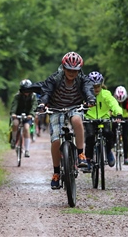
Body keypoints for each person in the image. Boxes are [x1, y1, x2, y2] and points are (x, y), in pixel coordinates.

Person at [21, 52, 96, 189]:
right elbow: (47, 92)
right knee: (55, 140)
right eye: (69, 70)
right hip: (56, 108)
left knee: (77, 121)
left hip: (75, 106)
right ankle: (56, 173)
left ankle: (81, 154)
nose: (72, 73)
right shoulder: (55, 78)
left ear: (79, 70)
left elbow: (88, 89)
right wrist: (43, 104)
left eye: (75, 70)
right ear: (63, 68)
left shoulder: (82, 79)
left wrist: (90, 99)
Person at [84, 71, 123, 171]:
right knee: (90, 137)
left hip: (104, 118)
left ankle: (108, 151)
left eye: (98, 86)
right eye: (93, 86)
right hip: (90, 118)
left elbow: (113, 103)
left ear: (101, 85)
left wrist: (118, 113)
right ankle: (88, 160)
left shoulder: (106, 94)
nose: (96, 89)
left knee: (108, 133)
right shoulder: (85, 95)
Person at [10, 79, 38, 158]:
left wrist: (31, 114)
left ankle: (27, 150)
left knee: (26, 128)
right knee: (15, 124)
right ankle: (14, 140)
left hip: (28, 116)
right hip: (18, 115)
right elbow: (14, 105)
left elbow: (34, 106)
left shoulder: (33, 96)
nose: (26, 92)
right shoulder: (17, 96)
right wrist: (13, 113)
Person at [112, 85, 128, 165]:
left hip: (125, 118)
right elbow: (110, 108)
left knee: (125, 137)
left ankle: (126, 158)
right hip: (115, 117)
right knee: (112, 130)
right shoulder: (113, 99)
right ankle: (113, 142)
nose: (120, 102)